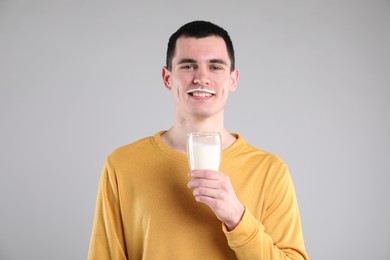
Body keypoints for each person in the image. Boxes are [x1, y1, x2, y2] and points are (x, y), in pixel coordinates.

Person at [88, 20, 308, 260]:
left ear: (233, 79)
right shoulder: (122, 164)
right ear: (167, 78)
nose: (202, 78)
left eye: (215, 67)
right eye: (188, 66)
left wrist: (237, 217)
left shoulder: (270, 171)